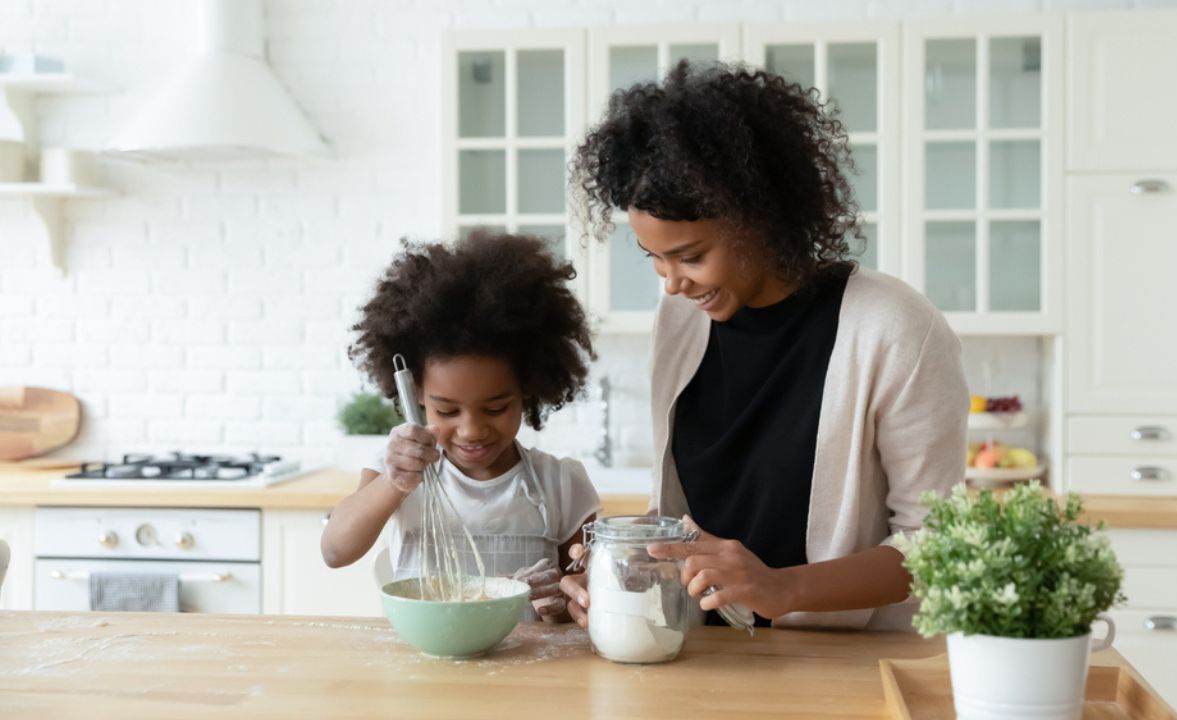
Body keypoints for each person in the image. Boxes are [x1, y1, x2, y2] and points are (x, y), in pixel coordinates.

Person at [562, 61, 968, 631]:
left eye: (691, 256)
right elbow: (687, 519)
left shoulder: (894, 329)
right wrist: (619, 565)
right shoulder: (680, 320)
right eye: (653, 256)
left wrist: (782, 587)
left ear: (761, 219)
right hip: (700, 656)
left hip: (842, 671)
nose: (672, 282)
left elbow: (940, 548)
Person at [321, 232, 601, 622]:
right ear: (416, 393)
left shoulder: (560, 483)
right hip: (425, 672)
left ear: (529, 389)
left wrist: (565, 602)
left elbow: (585, 595)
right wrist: (394, 483)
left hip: (528, 674)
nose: (471, 430)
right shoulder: (399, 472)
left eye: (496, 407)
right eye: (448, 411)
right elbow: (335, 551)